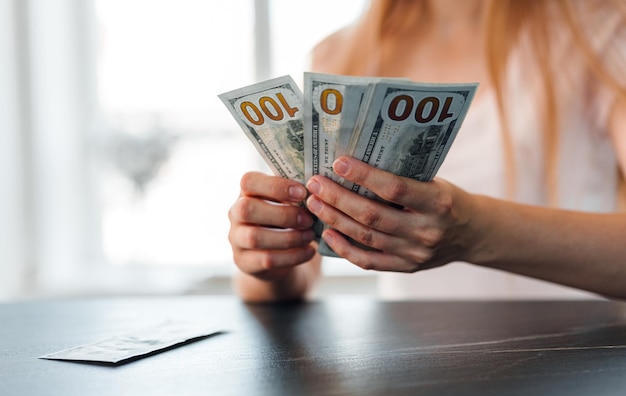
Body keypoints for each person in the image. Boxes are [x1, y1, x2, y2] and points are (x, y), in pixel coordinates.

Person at [228, 0, 626, 302]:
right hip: (409, 377)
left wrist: (474, 231)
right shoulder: (339, 55)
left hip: (572, 368)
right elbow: (293, 276)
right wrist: (268, 260)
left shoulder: (598, 29)